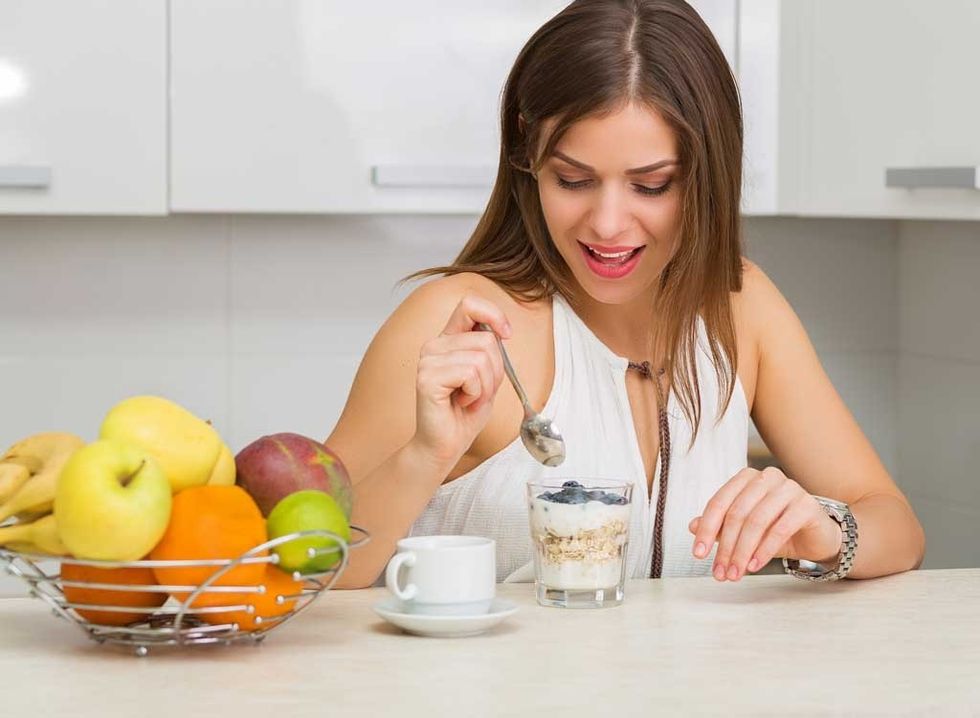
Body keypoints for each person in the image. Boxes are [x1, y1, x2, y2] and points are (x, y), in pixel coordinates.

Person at [330, 0, 924, 588]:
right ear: (526, 150)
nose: (608, 223)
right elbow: (303, 565)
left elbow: (895, 526)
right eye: (574, 179)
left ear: (707, 173)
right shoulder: (458, 324)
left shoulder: (742, 308)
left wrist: (825, 530)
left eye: (651, 185)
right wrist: (423, 456)